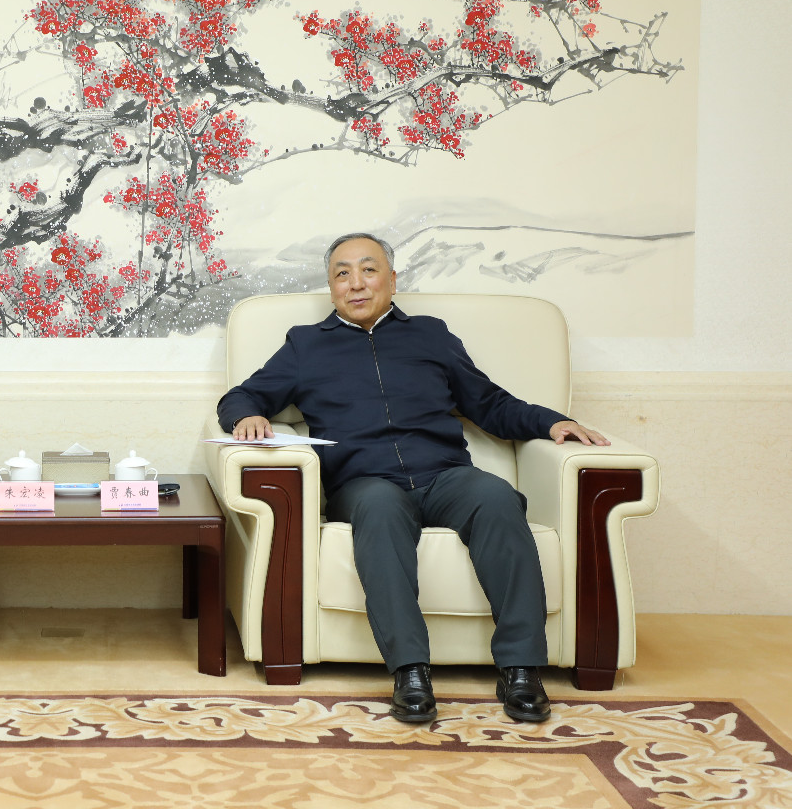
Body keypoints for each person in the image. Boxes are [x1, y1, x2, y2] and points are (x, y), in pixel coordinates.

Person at [216, 232, 608, 724]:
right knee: (380, 509)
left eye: (368, 270)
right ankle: (410, 671)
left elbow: (489, 403)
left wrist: (552, 423)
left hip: (444, 475)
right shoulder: (306, 345)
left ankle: (521, 668)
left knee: (496, 496)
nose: (356, 283)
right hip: (363, 483)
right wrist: (246, 416)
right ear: (331, 287)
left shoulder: (431, 335)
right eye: (342, 274)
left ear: (392, 279)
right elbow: (240, 396)